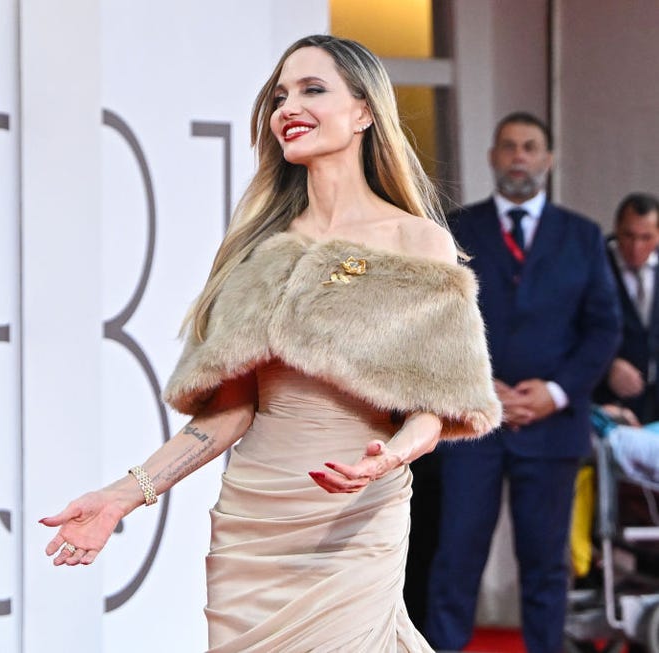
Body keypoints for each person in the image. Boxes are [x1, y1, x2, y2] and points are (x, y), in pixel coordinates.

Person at [40, 34, 501, 652]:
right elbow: (229, 411)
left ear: (365, 111)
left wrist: (390, 458)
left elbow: (437, 405)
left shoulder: (417, 242)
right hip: (253, 527)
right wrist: (122, 498)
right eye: (280, 95)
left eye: (313, 90)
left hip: (355, 520)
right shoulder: (257, 251)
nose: (288, 107)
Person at [424, 112, 622, 653]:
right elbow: (437, 321)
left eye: (530, 147)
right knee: (456, 558)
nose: (519, 157)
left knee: (544, 566)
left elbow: (604, 328)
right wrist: (483, 389)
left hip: (552, 427)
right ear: (492, 156)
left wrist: (556, 392)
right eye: (509, 146)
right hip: (472, 425)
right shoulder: (456, 229)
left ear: (548, 160)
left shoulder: (581, 236)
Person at [595, 192, 659, 423]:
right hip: (610, 401)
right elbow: (571, 327)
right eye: (629, 236)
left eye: (646, 237)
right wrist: (607, 365)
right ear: (617, 228)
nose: (636, 247)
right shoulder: (595, 263)